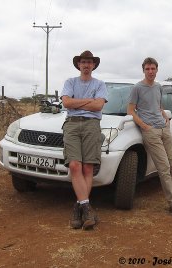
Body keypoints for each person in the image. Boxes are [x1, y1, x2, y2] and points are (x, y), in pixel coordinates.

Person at [127, 57, 172, 217]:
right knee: (164, 168)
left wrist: (165, 116)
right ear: (143, 70)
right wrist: (145, 127)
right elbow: (131, 111)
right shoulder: (137, 88)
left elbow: (158, 105)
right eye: (147, 69)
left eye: (153, 68)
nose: (150, 71)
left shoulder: (158, 87)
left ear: (157, 70)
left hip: (164, 129)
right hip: (151, 132)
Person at [61, 50, 108, 229]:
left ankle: (79, 207)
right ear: (79, 65)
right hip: (72, 124)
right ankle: (86, 208)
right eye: (83, 62)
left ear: (93, 65)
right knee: (74, 165)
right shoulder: (70, 82)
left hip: (92, 125)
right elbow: (66, 103)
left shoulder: (100, 84)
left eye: (89, 62)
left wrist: (77, 101)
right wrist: (89, 101)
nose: (86, 65)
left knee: (88, 166)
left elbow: (98, 106)